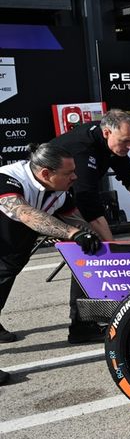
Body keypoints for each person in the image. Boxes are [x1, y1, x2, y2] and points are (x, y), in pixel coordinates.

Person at [51, 109, 130, 342]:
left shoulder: (109, 142)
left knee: (89, 249)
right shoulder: (82, 148)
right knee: (10, 264)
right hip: (36, 201)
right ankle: (82, 324)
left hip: (63, 199)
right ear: (107, 132)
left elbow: (128, 175)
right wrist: (110, 244)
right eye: (126, 141)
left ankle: (82, 325)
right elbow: (88, 202)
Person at [0, 143, 102, 354]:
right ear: (46, 173)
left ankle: (82, 325)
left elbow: (75, 219)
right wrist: (72, 233)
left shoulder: (58, 191)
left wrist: (95, 239)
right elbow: (25, 213)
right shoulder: (7, 179)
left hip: (10, 253)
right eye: (69, 173)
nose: (75, 177)